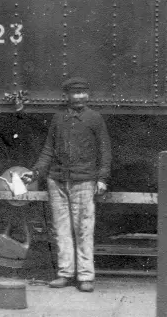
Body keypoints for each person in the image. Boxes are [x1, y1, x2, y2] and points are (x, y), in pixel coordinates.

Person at [22, 77, 112, 293]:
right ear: (67, 96)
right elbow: (48, 150)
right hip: (57, 181)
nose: (79, 96)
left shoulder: (95, 119)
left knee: (84, 230)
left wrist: (102, 179)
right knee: (61, 230)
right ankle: (65, 274)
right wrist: (34, 174)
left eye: (83, 92)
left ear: (88, 95)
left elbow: (104, 151)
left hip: (84, 181)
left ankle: (85, 277)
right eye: (75, 93)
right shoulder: (58, 118)